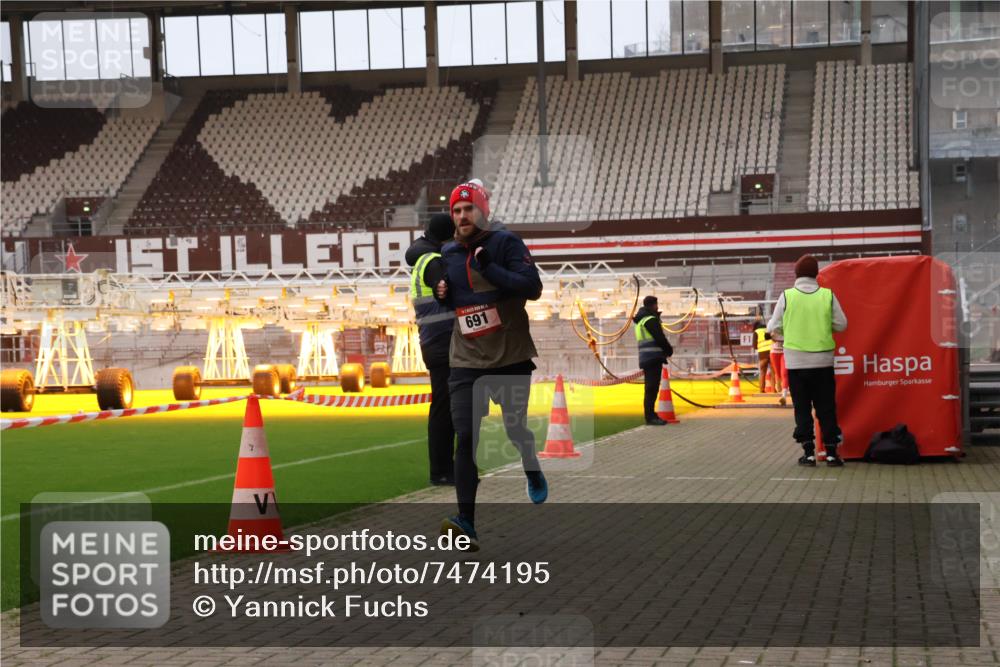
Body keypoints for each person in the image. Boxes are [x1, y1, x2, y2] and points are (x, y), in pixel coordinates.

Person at [433, 180, 547, 550]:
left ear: (483, 211)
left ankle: (530, 463)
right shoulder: (447, 251)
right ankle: (466, 521)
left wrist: (490, 267)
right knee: (466, 436)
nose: (462, 215)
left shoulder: (505, 243)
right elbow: (461, 304)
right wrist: (442, 294)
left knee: (516, 430)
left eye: (469, 208)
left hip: (509, 358)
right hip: (466, 360)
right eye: (457, 210)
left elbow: (532, 287)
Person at [767, 254, 848, 467]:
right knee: (826, 407)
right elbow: (842, 324)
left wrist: (789, 332)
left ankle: (809, 453)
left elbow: (772, 327)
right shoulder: (827, 295)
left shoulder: (787, 296)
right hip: (823, 361)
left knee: (802, 408)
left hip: (796, 362)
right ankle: (831, 453)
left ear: (796, 273)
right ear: (816, 274)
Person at [405, 213, 457, 486]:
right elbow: (445, 292)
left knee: (445, 406)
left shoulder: (422, 259)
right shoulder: (434, 262)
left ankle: (446, 469)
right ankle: (442, 471)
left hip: (433, 341)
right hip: (443, 342)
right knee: (445, 408)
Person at [633, 296, 674, 425]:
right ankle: (650, 417)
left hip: (646, 357)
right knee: (652, 388)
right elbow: (659, 338)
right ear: (654, 305)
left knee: (650, 388)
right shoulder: (650, 320)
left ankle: (650, 415)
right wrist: (668, 350)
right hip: (653, 358)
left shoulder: (641, 320)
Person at [751, 319, 775, 393]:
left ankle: (762, 390)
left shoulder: (756, 332)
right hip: (772, 353)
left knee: (762, 372)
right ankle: (774, 390)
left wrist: (760, 347)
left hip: (762, 355)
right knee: (773, 372)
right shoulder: (768, 330)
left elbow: (754, 346)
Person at [770, 330, 789, 406]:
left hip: (785, 351)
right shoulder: (773, 324)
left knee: (784, 373)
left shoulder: (788, 323)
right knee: (778, 374)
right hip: (774, 352)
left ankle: (783, 396)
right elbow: (769, 337)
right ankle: (780, 384)